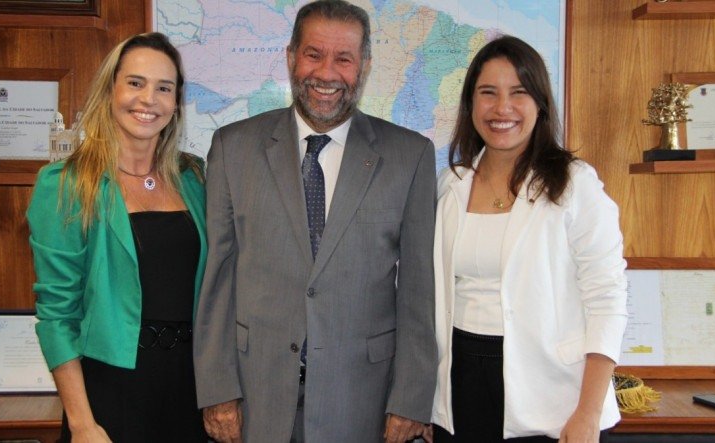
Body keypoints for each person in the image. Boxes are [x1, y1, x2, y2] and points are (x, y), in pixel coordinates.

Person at [193, 1, 437, 442]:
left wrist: (410, 400)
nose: (326, 73)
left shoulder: (410, 156)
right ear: (290, 57)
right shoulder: (233, 149)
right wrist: (217, 391)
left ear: (363, 66)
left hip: (364, 401)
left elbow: (419, 291)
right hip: (255, 396)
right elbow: (217, 281)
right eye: (313, 54)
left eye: (343, 58)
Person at [429, 35, 628, 442]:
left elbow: (607, 300)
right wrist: (432, 403)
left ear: (540, 103)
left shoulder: (575, 184)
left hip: (552, 397)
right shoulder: (450, 185)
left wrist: (588, 413)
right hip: (459, 383)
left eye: (518, 93)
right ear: (470, 105)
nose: (502, 108)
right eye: (488, 93)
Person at [27, 32, 208, 442]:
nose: (149, 100)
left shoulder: (194, 178)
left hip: (189, 390)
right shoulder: (67, 185)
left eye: (164, 88)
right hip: (110, 395)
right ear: (110, 90)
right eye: (135, 83)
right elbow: (57, 316)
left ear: (176, 102)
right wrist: (83, 425)